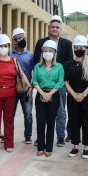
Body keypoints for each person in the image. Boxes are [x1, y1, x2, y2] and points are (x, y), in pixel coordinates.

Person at [0, 34, 30, 153]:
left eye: (5, 46)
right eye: (1, 46)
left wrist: (29, 86)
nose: (3, 48)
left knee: (9, 120)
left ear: (9, 46)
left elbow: (22, 74)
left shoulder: (14, 61)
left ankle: (9, 143)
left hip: (10, 95)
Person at [34, 15, 73, 147]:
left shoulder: (67, 44)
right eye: (52, 27)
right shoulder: (40, 42)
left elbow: (68, 64)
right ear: (49, 28)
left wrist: (61, 80)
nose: (55, 29)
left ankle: (61, 136)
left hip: (59, 84)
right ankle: (40, 138)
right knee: (41, 112)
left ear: (60, 29)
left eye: (57, 27)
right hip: (43, 83)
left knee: (60, 111)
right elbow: (36, 61)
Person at [64, 35, 88, 159]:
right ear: (73, 48)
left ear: (86, 48)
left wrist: (83, 94)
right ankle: (75, 146)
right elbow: (65, 82)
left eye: (82, 47)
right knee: (74, 122)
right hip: (72, 98)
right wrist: (74, 94)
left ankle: (86, 148)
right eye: (76, 47)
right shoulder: (68, 64)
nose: (79, 49)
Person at [32, 40, 64, 157]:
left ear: (54, 53)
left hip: (54, 95)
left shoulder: (59, 66)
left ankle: (49, 148)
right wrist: (42, 93)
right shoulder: (38, 66)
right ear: (42, 53)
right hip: (40, 94)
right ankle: (41, 147)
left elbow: (60, 82)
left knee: (51, 122)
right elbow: (34, 81)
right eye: (45, 51)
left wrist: (49, 94)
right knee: (40, 122)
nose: (47, 53)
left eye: (50, 51)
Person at [11, 27, 34, 144]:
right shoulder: (9, 54)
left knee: (28, 114)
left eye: (23, 37)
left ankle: (28, 136)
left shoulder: (30, 55)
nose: (22, 40)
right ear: (14, 41)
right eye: (19, 38)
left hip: (26, 90)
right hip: (12, 90)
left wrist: (32, 87)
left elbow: (34, 72)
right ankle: (9, 136)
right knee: (10, 114)